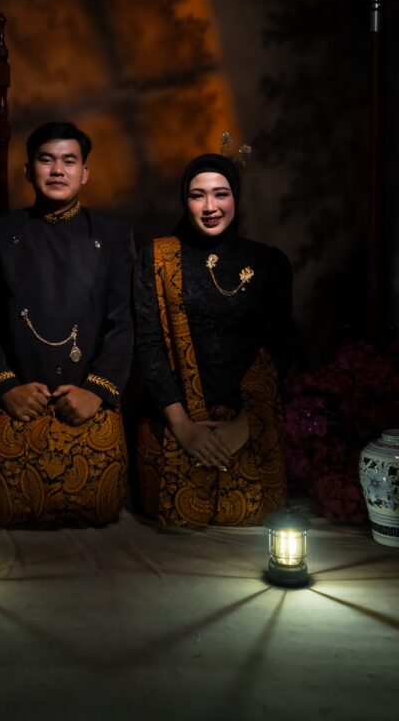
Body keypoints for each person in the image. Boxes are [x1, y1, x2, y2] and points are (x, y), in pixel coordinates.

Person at [0, 121, 135, 526]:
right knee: (3, 508)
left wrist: (97, 391)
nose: (58, 170)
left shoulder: (113, 234)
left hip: (87, 398)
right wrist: (6, 388)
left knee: (102, 506)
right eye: (46, 160)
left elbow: (124, 321)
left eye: (69, 161)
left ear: (84, 172)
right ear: (28, 170)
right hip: (20, 398)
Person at [132, 145, 291, 530]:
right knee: (171, 511)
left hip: (247, 420)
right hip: (174, 419)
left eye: (221, 194)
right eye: (197, 195)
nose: (209, 207)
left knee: (252, 512)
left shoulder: (269, 262)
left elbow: (278, 350)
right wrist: (182, 425)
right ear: (184, 201)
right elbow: (148, 345)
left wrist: (243, 424)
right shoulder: (157, 256)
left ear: (236, 197)